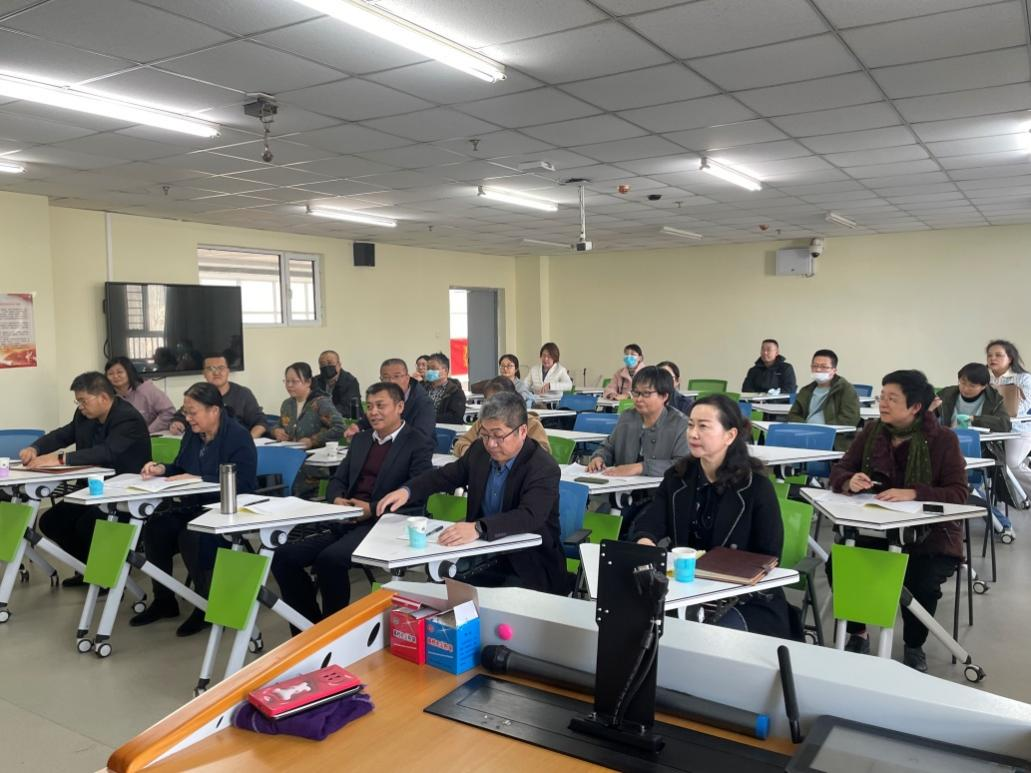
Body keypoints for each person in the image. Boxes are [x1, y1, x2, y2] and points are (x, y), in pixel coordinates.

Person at [827, 370, 968, 672]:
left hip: (929, 537)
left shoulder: (943, 440)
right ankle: (858, 633)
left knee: (921, 581)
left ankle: (914, 645)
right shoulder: (871, 431)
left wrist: (915, 492)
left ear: (915, 406)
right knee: (839, 564)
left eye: (892, 398)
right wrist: (850, 480)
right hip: (873, 530)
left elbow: (958, 493)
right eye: (882, 397)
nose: (883, 403)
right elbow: (839, 469)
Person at [270, 382, 434, 629]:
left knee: (329, 560)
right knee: (283, 557)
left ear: (400, 407)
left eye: (381, 406)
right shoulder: (361, 440)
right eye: (370, 406)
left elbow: (417, 494)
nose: (373, 412)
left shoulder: (417, 442)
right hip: (347, 520)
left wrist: (372, 507)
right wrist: (337, 498)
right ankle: (309, 628)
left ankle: (333, 631)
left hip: (384, 524)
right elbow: (338, 479)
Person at [631, 395, 794, 639]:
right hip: (684, 589)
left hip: (743, 596)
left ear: (730, 435)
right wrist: (645, 540)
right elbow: (652, 519)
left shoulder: (756, 487)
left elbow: (769, 554)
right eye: (690, 425)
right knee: (637, 622)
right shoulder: (677, 478)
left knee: (711, 637)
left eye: (703, 426)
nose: (693, 434)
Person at [377, 392, 567, 594]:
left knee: (479, 598)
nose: (491, 443)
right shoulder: (479, 452)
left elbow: (529, 516)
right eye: (484, 434)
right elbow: (445, 476)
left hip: (527, 561)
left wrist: (479, 528)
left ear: (522, 431)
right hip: (480, 552)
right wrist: (408, 490)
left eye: (498, 435)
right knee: (439, 588)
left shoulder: (542, 466)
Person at [130, 382, 258, 636]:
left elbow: (243, 483)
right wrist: (161, 469)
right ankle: (164, 600)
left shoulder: (238, 436)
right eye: (185, 412)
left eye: (193, 412)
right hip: (193, 506)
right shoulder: (192, 434)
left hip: (225, 510)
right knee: (155, 528)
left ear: (214, 410)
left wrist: (198, 479)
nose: (187, 418)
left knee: (192, 536)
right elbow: (181, 467)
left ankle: (205, 605)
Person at [26, 372, 150, 586]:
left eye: (83, 401)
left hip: (122, 492)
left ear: (103, 397)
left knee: (86, 524)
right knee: (51, 522)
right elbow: (63, 435)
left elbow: (107, 452)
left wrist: (60, 459)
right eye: (78, 402)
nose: (80, 406)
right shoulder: (84, 415)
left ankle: (110, 576)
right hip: (92, 489)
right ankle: (91, 571)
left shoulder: (127, 418)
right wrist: (35, 448)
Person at [932, 362, 1014, 537]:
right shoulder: (947, 394)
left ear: (984, 386)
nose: (965, 388)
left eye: (972, 385)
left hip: (979, 450)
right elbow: (926, 419)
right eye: (962, 382)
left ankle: (1002, 524)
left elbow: (1004, 424)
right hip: (946, 449)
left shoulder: (994, 399)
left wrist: (974, 419)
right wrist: (929, 410)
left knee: (966, 485)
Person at [587, 366, 689, 479]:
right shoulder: (627, 417)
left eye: (646, 393)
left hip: (660, 488)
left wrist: (640, 468)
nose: (638, 399)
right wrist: (599, 457)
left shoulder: (681, 425)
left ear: (664, 396)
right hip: (621, 486)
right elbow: (608, 447)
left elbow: (683, 465)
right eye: (636, 393)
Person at [169, 354, 266, 438]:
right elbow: (181, 416)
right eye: (210, 369)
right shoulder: (198, 393)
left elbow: (260, 422)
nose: (216, 373)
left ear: (228, 371)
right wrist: (178, 423)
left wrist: (248, 439)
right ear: (204, 374)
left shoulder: (243, 394)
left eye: (221, 368)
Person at [453, 378, 550, 458]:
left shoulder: (531, 424)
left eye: (497, 402)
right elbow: (462, 442)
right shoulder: (483, 423)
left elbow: (542, 454)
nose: (491, 407)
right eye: (488, 401)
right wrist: (468, 452)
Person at [985, 339, 1031, 507]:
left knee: (1012, 464)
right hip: (992, 429)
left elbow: (1022, 408)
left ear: (1010, 358)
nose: (992, 358)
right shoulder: (987, 380)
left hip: (1019, 429)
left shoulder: (1024, 379)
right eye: (990, 355)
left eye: (998, 355)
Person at [787, 349, 860, 451]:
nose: (818, 370)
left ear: (834, 370)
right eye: (815, 366)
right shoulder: (806, 390)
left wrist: (823, 430)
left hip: (833, 440)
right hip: (805, 436)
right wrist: (806, 428)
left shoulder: (846, 389)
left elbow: (850, 419)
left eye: (824, 367)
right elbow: (793, 414)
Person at [346, 358, 435, 441]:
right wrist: (357, 426)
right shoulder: (382, 398)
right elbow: (370, 419)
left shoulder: (424, 403)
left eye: (397, 376)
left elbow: (421, 437)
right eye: (386, 378)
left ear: (407, 378)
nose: (392, 382)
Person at [271, 362, 345, 450]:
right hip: (290, 452)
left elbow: (340, 427)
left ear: (308, 382)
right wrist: (276, 431)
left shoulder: (320, 403)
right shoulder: (287, 404)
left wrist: (313, 440)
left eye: (294, 381)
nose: (289, 385)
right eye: (287, 381)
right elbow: (280, 424)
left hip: (315, 454)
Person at [105, 356, 176, 433]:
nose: (115, 376)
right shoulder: (107, 396)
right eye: (110, 373)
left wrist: (147, 431)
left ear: (129, 372)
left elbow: (168, 412)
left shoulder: (147, 390)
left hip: (150, 436)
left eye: (119, 372)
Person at [313, 349, 362, 420]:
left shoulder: (350, 381)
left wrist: (326, 410)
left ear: (339, 364)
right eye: (322, 364)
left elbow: (349, 408)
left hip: (347, 420)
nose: (326, 366)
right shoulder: (316, 381)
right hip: (322, 419)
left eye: (330, 363)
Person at [423, 352, 467, 424]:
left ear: (445, 370)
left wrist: (428, 418)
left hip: (443, 428)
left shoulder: (455, 392)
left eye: (433, 368)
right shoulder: (422, 388)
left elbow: (455, 417)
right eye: (428, 368)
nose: (429, 371)